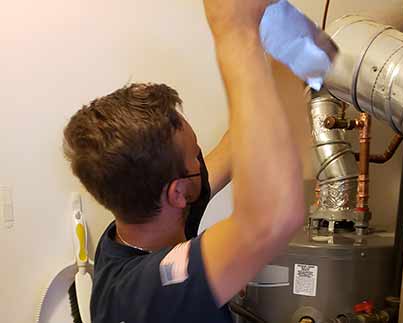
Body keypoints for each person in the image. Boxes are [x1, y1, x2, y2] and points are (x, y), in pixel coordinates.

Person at [63, 0, 305, 322]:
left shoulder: (146, 221)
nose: (203, 160)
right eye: (196, 154)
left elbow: (235, 146)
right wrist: (231, 31)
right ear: (178, 193)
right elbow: (273, 218)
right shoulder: (146, 290)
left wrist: (281, 38)